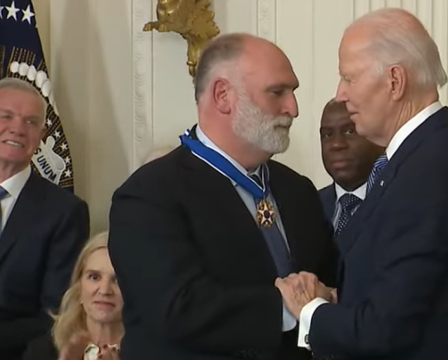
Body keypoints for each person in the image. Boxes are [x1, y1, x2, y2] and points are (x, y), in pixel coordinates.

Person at [275, 8, 448, 360]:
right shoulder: (421, 159)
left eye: (349, 78)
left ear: (395, 81)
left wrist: (309, 309)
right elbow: (406, 294)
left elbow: (385, 330)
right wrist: (336, 299)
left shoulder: (432, 173)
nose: (340, 94)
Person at [107, 33, 337, 360]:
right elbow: (175, 309)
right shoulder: (148, 195)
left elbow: (326, 281)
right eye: (277, 92)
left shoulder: (297, 189)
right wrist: (287, 307)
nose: (293, 108)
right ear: (223, 95)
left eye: (293, 92)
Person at [0, 78, 90, 360]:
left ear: (42, 136)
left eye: (31, 122)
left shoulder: (64, 212)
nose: (17, 128)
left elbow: (56, 316)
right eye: (6, 116)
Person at [22, 232, 123, 360]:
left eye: (118, 280)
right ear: (79, 287)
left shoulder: (152, 351)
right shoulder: (42, 351)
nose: (104, 290)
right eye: (94, 277)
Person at [317, 98, 384, 235]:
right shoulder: (309, 206)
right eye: (328, 135)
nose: (336, 144)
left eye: (349, 131)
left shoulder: (398, 202)